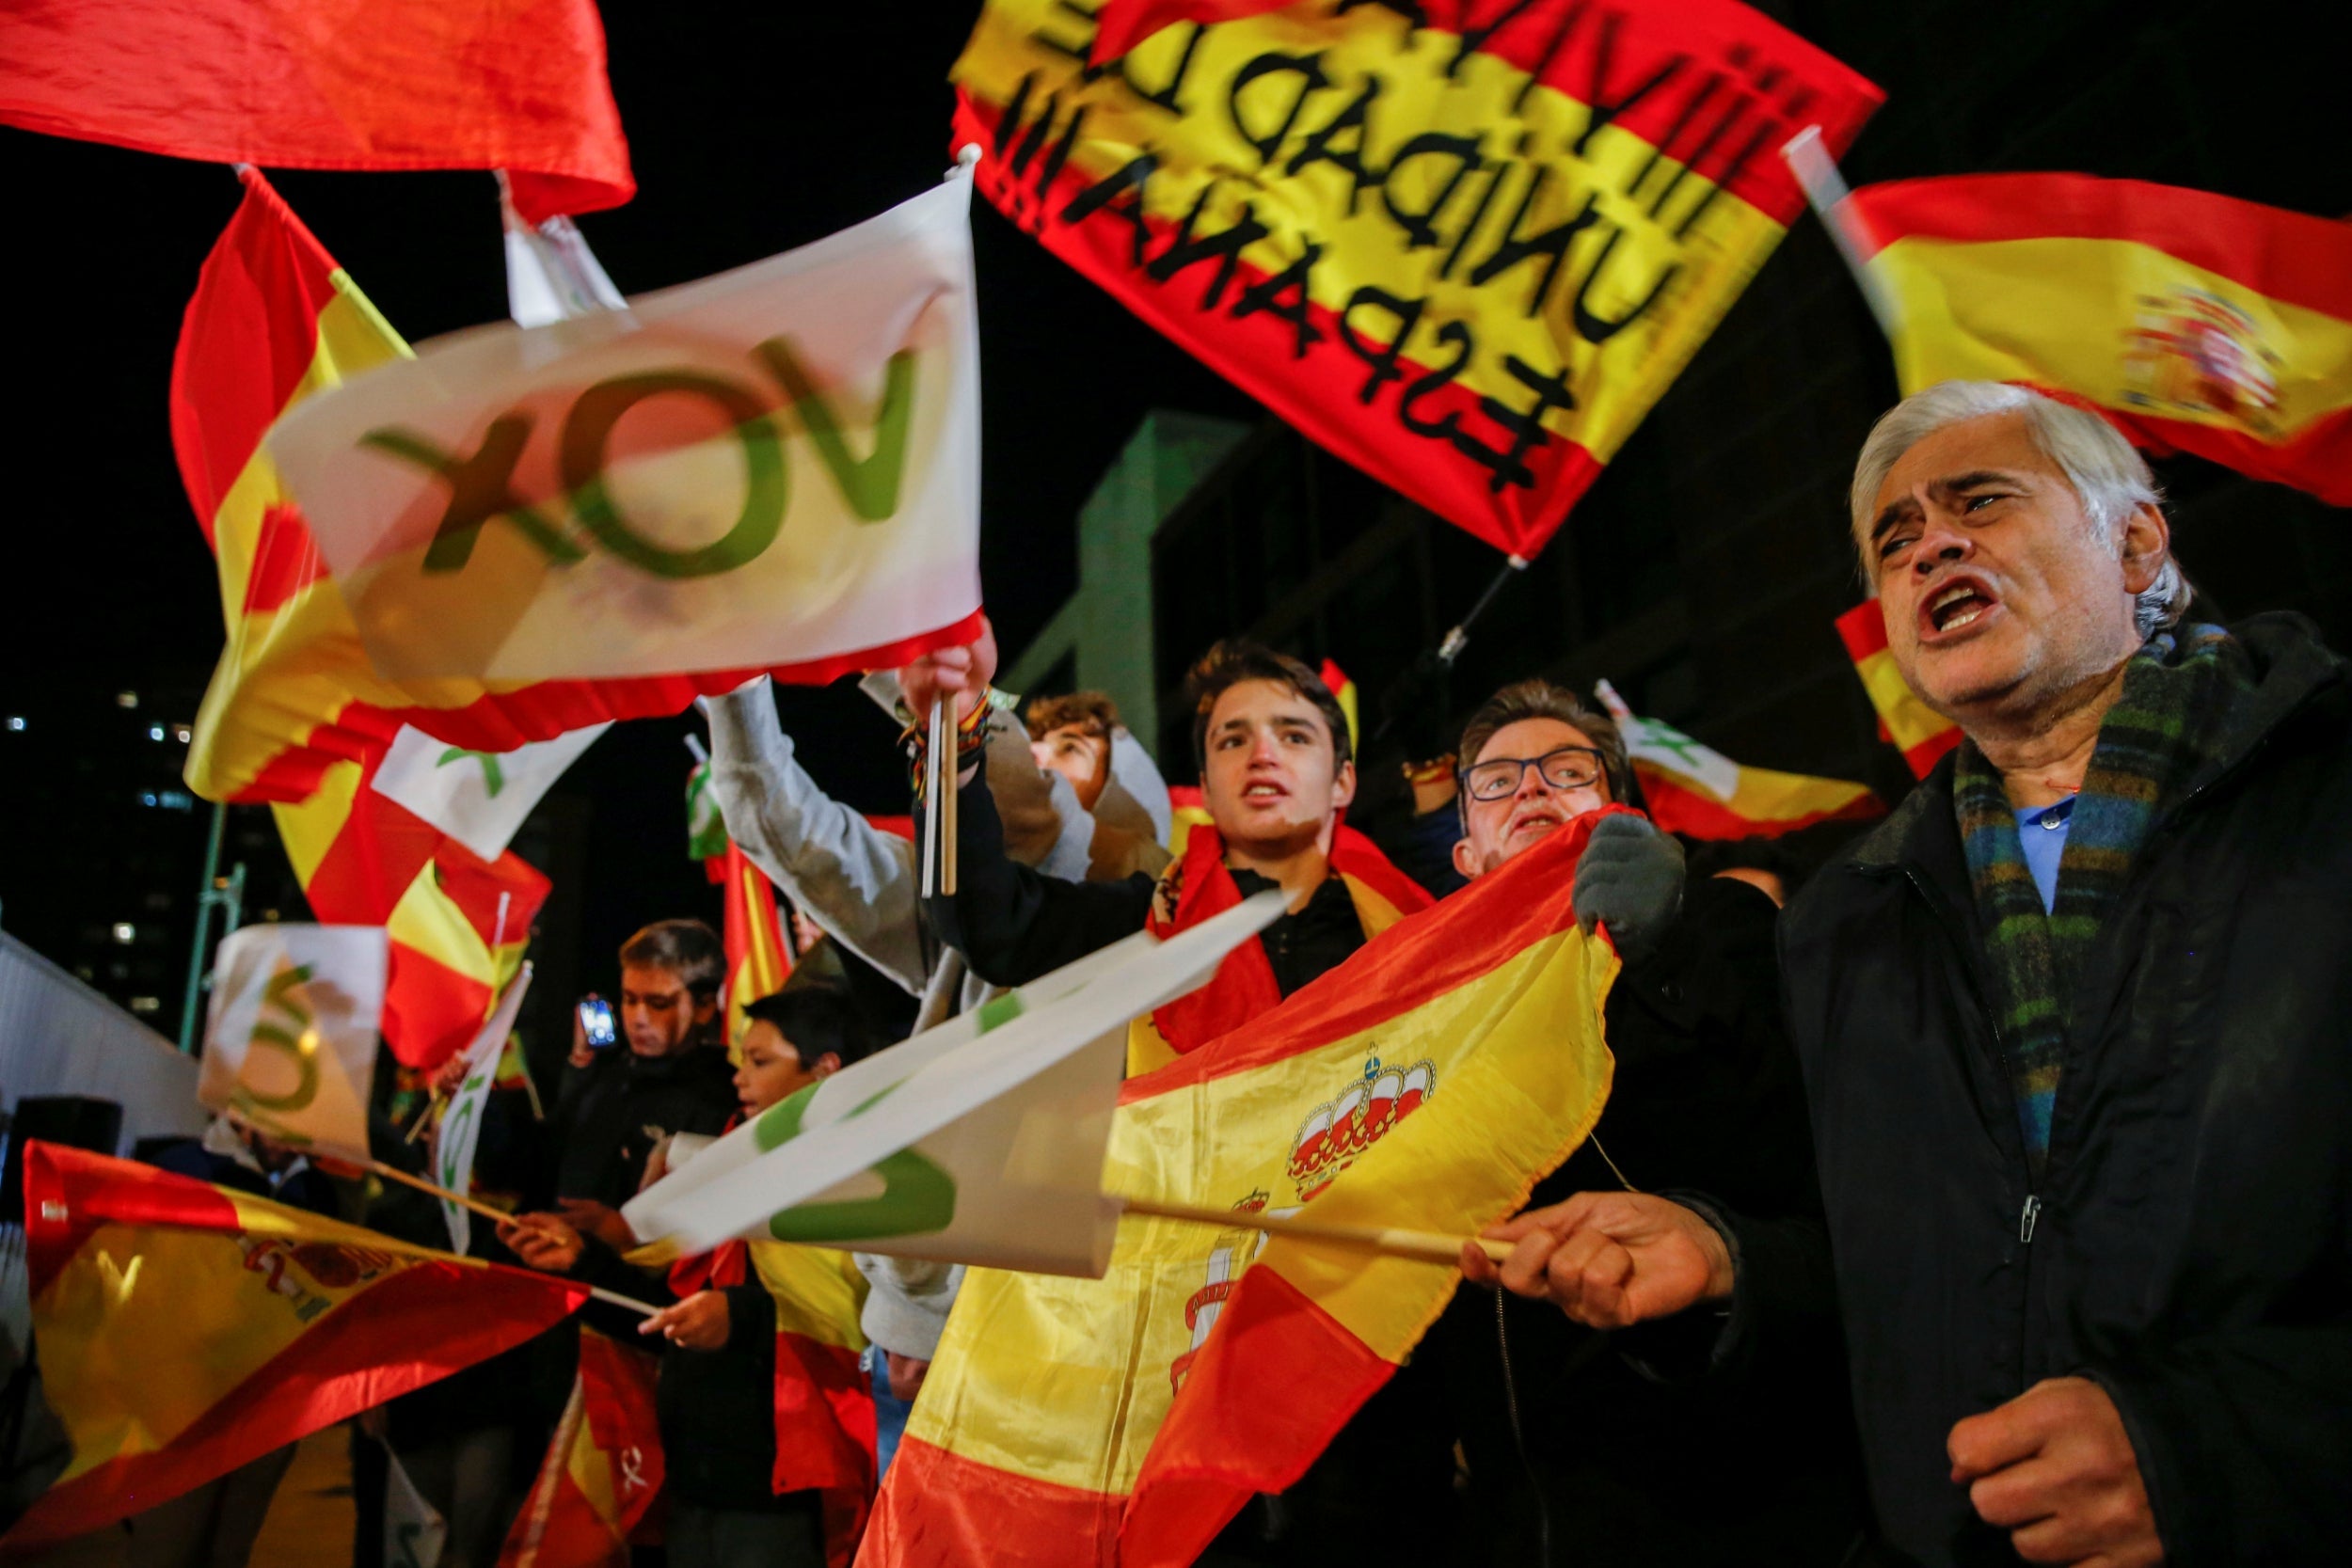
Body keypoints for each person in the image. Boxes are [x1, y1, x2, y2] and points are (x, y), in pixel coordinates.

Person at [1470, 379, 2352, 1566]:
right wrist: (1736, 1260)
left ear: (2136, 539)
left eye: (1980, 501)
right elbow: (1903, 1267)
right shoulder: (1852, 916)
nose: (1932, 540)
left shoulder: (2324, 801)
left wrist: (2223, 1453)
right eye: (1895, 539)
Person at [914, 635, 1442, 1563]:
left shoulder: (1425, 934)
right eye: (1233, 739)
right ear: (1205, 779)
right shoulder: (1141, 925)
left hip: (1383, 1361)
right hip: (1182, 1368)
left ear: (1343, 779)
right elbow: (984, 916)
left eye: (1291, 732)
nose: (1263, 752)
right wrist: (956, 730)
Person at [1429, 680, 1867, 1565]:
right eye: (1497, 779)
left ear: (1621, 810)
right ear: (1466, 853)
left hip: (1732, 1498)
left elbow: (1783, 1158)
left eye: (1566, 768)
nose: (1532, 788)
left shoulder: (1716, 923)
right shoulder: (1430, 1018)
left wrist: (1662, 954)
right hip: (1534, 1518)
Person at [701, 643, 1176, 1407]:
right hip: (921, 1347)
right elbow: (782, 824)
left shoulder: (1165, 926)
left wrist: (912, 663)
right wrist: (733, 675)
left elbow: (1012, 783)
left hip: (1078, 1347)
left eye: (1074, 752)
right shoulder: (951, 919)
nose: (1041, 756)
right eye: (1035, 739)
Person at [506, 985, 881, 1568]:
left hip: (779, 1494)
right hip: (693, 1480)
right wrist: (580, 1261)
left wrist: (740, 1318)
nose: (739, 1077)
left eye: (760, 1062)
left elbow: (851, 1331)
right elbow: (663, 1309)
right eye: (741, 1060)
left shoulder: (861, 1184)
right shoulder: (725, 1164)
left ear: (823, 1071)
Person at [548, 920, 739, 1247]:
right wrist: (580, 1070)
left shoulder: (721, 1095)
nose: (638, 1018)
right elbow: (547, 1153)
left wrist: (617, 1231)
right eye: (629, 999)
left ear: (704, 1007)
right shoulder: (608, 1071)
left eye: (658, 1004)